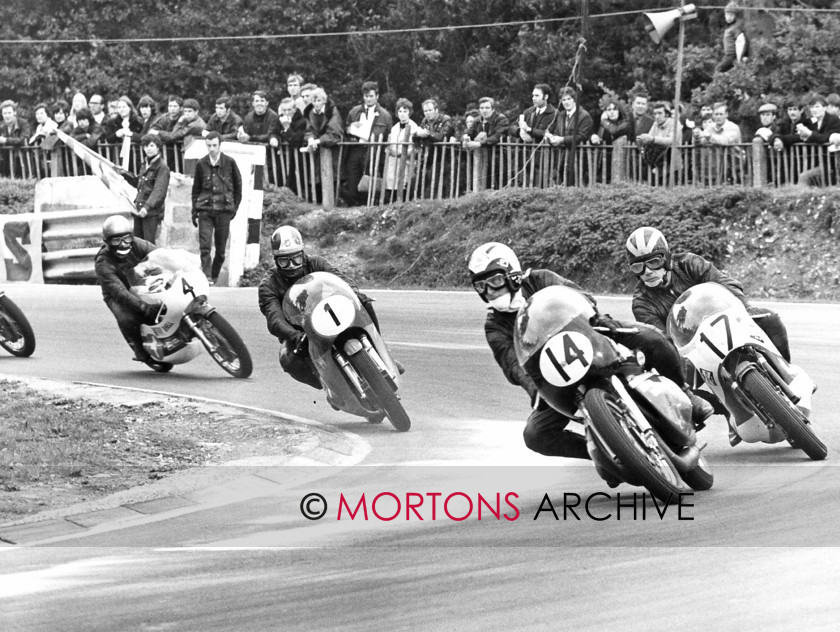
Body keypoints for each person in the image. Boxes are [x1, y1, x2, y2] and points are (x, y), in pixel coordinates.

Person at [468, 242, 713, 466]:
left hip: (591, 339)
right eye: (481, 285)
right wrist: (534, 389)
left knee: (653, 339)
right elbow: (511, 364)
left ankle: (686, 394)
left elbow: (578, 295)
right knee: (535, 435)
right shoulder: (494, 325)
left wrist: (597, 318)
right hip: (555, 379)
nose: (489, 290)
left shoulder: (540, 279)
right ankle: (608, 454)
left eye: (495, 281)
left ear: (512, 275)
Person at [625, 226, 791, 443]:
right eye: (638, 266)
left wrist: (741, 309)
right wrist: (679, 356)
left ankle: (785, 374)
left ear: (665, 258)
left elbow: (728, 285)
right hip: (691, 348)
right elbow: (660, 340)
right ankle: (730, 411)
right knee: (678, 381)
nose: (647, 271)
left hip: (726, 321)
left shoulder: (690, 264)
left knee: (770, 318)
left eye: (653, 262)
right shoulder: (641, 302)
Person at [258, 225, 383, 390]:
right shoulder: (269, 284)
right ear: (276, 260)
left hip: (330, 313)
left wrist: (355, 295)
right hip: (301, 332)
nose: (292, 265)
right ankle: (328, 385)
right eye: (284, 260)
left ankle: (379, 355)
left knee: (364, 303)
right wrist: (294, 335)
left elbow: (341, 280)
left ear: (302, 254)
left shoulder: (317, 263)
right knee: (288, 360)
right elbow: (275, 319)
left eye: (296, 258)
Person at [94, 215, 169, 371]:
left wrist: (177, 270)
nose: (123, 244)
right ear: (108, 242)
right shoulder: (103, 262)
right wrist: (144, 308)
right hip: (117, 292)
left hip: (141, 280)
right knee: (127, 316)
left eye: (126, 239)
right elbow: (120, 293)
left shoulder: (139, 245)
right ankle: (140, 350)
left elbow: (162, 256)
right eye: (116, 240)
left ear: (132, 237)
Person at [191, 131, 242, 285]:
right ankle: (206, 277)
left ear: (220, 145)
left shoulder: (230, 163)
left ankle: (213, 276)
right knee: (205, 246)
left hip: (223, 211)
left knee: (220, 251)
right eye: (209, 146)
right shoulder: (201, 164)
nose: (212, 149)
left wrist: (233, 209)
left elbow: (238, 188)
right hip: (205, 210)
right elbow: (196, 189)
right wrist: (195, 210)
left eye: (214, 145)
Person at [341, 81, 393, 207]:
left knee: (370, 183)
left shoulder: (385, 115)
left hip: (373, 152)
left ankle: (369, 209)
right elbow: (345, 130)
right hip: (355, 150)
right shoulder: (354, 112)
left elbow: (388, 136)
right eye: (366, 96)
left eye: (371, 96)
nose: (368, 99)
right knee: (353, 183)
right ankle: (354, 208)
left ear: (377, 96)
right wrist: (350, 128)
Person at [795, 94, 840, 186]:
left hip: (832, 163)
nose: (814, 110)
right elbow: (795, 135)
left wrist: (808, 133)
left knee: (804, 177)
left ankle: (802, 198)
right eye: (812, 107)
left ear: (824, 108)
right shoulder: (812, 122)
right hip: (816, 161)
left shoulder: (833, 120)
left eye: (817, 107)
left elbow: (824, 138)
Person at [133, 135, 170, 243]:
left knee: (148, 244)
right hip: (139, 209)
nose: (148, 149)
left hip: (150, 212)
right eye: (145, 146)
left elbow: (159, 191)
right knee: (138, 244)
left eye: (151, 146)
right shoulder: (145, 164)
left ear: (158, 147)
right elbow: (138, 183)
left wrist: (147, 207)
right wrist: (123, 174)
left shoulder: (162, 167)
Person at [384, 98, 421, 202]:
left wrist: (402, 153)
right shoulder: (394, 128)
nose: (402, 114)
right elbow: (390, 143)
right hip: (393, 162)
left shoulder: (414, 128)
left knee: (404, 187)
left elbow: (417, 149)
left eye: (405, 111)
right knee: (392, 188)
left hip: (407, 163)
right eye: (400, 111)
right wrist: (389, 150)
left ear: (410, 112)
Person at [716, 2, 749, 73]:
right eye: (727, 14)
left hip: (732, 56)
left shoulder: (736, 28)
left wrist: (745, 55)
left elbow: (742, 41)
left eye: (731, 15)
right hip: (727, 55)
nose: (729, 17)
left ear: (736, 16)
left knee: (718, 70)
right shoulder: (728, 27)